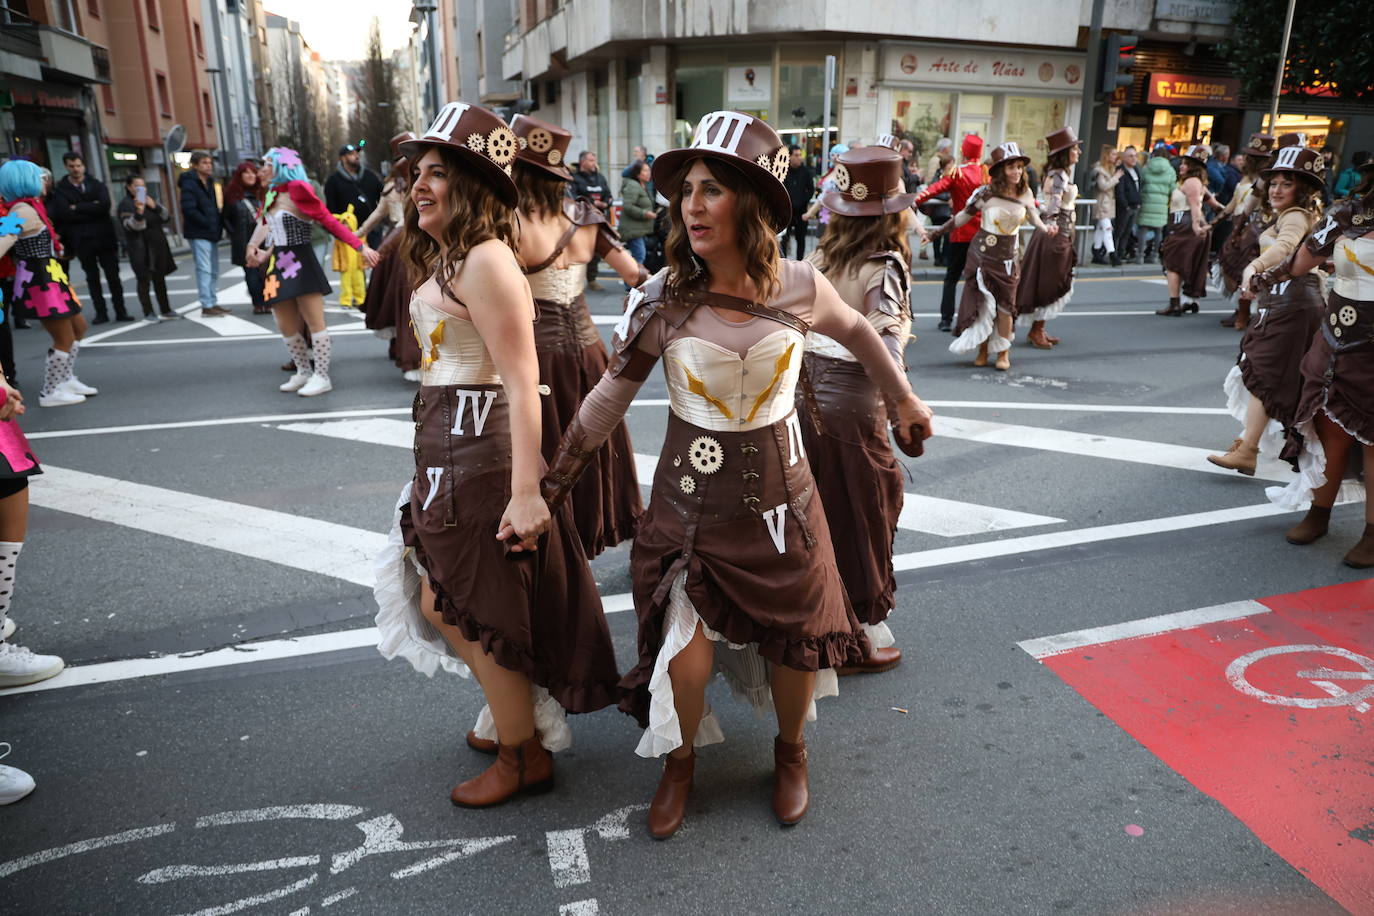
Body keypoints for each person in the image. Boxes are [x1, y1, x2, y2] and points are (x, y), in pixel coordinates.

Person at [540, 111, 933, 837]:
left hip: (786, 504)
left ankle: (791, 753)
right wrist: (548, 490)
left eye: (712, 189)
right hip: (688, 513)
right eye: (686, 189)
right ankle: (679, 763)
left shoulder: (801, 285)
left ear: (751, 204)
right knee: (683, 664)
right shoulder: (662, 297)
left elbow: (861, 335)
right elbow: (607, 399)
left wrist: (904, 399)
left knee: (795, 649)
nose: (691, 204)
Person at [372, 102, 620, 805]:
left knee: (468, 605)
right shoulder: (454, 253)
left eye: (437, 173)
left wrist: (524, 491)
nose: (418, 185)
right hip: (448, 456)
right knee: (445, 599)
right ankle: (520, 722)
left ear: (474, 184)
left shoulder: (486, 261)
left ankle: (522, 753)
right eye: (416, 172)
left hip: (479, 459)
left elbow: (523, 381)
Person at [800, 146, 920, 675]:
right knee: (862, 517)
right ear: (890, 214)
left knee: (813, 515)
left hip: (798, 403)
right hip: (851, 409)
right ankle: (857, 636)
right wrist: (902, 399)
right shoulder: (885, 267)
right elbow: (886, 335)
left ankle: (808, 618)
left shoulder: (817, 260)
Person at [507, 113, 646, 559]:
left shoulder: (507, 223)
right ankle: (587, 529)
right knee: (589, 444)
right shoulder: (586, 217)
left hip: (537, 356)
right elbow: (635, 274)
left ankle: (551, 540)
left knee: (547, 449)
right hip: (590, 351)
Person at [1257, 154, 1374, 568]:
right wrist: (1264, 277)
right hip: (1336, 339)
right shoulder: (1347, 212)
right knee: (1328, 427)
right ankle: (1318, 512)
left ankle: (1372, 532)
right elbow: (1303, 257)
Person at [1207, 145, 1326, 478]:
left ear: (1301, 190)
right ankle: (1247, 442)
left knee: (1264, 374)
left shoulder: (1296, 216)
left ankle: (1248, 450)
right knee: (1268, 373)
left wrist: (1253, 268)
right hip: (1288, 302)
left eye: (1286, 184)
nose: (1275, 189)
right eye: (1273, 182)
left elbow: (1286, 247)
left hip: (1293, 303)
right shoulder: (1296, 215)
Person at [244, 147, 378, 397]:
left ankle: (322, 376)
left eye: (266, 164)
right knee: (283, 323)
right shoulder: (272, 191)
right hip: (278, 263)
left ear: (281, 166)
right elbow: (267, 224)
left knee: (314, 321)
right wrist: (257, 248)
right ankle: (303, 371)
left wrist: (359, 246)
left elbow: (327, 220)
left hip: (302, 261)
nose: (261, 169)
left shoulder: (298, 189)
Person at [930, 141, 1054, 371]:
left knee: (1006, 308)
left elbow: (1034, 218)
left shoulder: (1026, 193)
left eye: (1019, 166)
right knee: (983, 306)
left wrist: (1047, 228)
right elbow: (961, 218)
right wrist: (936, 233)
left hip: (1008, 260)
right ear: (1000, 171)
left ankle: (1003, 352)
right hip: (982, 257)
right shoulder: (985, 193)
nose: (1017, 171)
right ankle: (983, 349)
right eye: (1011, 167)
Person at [0, 159, 96, 407]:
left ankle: (65, 379)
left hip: (51, 274)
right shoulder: (21, 210)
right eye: (39, 176)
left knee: (79, 327)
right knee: (64, 336)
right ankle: (51, 391)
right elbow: (3, 239)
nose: (45, 181)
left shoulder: (31, 207)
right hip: (40, 280)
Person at [361, 132, 423, 381]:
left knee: (397, 299)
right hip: (406, 245)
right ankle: (408, 353)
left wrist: (357, 236)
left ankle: (400, 347)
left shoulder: (402, 185)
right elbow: (403, 222)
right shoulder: (410, 185)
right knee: (407, 300)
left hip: (401, 244)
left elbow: (378, 215)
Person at [911, 134, 986, 332]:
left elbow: (936, 188)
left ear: (963, 152)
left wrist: (916, 200)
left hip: (960, 232)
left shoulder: (957, 173)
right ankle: (975, 316)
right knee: (979, 279)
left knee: (951, 278)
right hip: (982, 235)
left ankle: (946, 319)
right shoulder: (987, 173)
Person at [47, 152, 130, 324]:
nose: (76, 169)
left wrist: (76, 207)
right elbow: (64, 213)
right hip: (82, 240)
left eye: (78, 165)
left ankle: (121, 310)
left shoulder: (97, 184)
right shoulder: (61, 189)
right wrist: (91, 207)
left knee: (113, 276)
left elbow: (104, 206)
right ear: (66, 167)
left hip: (105, 238)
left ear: (83, 166)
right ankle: (101, 313)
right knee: (92, 278)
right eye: (71, 166)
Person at [1017, 127, 1081, 350]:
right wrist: (1055, 219)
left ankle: (1039, 328)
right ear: (1065, 153)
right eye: (1075, 148)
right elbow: (1053, 204)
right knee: (1049, 282)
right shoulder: (1058, 176)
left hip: (1056, 233)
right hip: (1054, 236)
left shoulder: (1059, 174)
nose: (1079, 152)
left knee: (1048, 280)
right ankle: (1036, 330)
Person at [1212, 134, 1276, 330]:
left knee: (1249, 269)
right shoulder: (1248, 178)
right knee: (1233, 265)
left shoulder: (1270, 178)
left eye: (1254, 156)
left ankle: (1247, 313)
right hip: (1245, 225)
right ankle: (1242, 311)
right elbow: (1237, 203)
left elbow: (1262, 205)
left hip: (1262, 229)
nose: (1249, 159)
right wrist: (1216, 221)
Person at [1156, 146, 1215, 316]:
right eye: (1181, 163)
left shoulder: (1191, 183)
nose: (1181, 167)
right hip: (1187, 226)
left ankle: (1175, 303)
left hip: (1183, 226)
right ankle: (1188, 301)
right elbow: (1215, 204)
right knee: (1188, 264)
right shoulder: (1198, 183)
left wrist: (1197, 225)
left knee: (1173, 264)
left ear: (1194, 167)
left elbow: (1196, 204)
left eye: (1185, 164)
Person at [116, 176, 178, 321]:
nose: (140, 190)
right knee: (143, 278)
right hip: (140, 247)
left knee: (160, 278)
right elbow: (133, 227)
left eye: (143, 187)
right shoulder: (126, 204)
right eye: (137, 186)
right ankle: (148, 311)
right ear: (129, 187)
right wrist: (139, 212)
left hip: (157, 244)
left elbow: (166, 218)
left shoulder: (149, 200)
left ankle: (166, 309)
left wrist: (154, 206)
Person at [178, 151, 226, 318]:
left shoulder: (211, 182)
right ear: (196, 165)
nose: (209, 166)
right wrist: (208, 223)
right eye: (205, 163)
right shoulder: (189, 184)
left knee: (213, 269)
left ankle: (212, 301)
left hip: (210, 231)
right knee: (204, 269)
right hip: (198, 232)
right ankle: (206, 304)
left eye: (210, 163)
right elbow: (189, 209)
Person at [222, 160, 268, 314]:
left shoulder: (263, 192)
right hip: (243, 240)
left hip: (264, 239)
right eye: (246, 172)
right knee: (251, 273)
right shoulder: (232, 194)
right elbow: (225, 218)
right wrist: (234, 234)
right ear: (240, 175)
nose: (250, 175)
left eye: (253, 172)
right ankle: (258, 303)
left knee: (266, 272)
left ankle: (268, 301)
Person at [323, 144, 384, 249]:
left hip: (373, 231)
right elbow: (331, 210)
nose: (356, 156)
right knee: (353, 265)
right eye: (351, 154)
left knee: (377, 262)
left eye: (357, 153)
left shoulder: (370, 175)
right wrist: (339, 231)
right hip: (351, 235)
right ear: (343, 158)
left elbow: (383, 197)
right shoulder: (333, 181)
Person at [569, 151, 611, 291]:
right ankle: (576, 281)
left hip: (599, 220)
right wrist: (592, 203)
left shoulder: (600, 178)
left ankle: (592, 280)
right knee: (579, 251)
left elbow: (608, 194)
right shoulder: (574, 178)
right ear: (582, 162)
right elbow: (573, 197)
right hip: (582, 222)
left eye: (594, 160)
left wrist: (605, 203)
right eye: (591, 160)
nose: (594, 163)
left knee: (596, 252)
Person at [1136, 143, 1176, 264]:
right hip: (1162, 204)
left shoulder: (1147, 167)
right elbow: (1173, 188)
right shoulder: (1170, 170)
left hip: (1147, 201)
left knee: (1143, 229)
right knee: (1158, 231)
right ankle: (1154, 255)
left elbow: (1141, 183)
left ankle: (1140, 256)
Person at [619, 160, 658, 269]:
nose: (648, 173)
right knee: (639, 257)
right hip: (632, 230)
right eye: (645, 170)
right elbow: (628, 206)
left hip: (639, 230)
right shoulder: (633, 186)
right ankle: (630, 284)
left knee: (639, 257)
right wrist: (645, 213)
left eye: (649, 170)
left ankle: (634, 283)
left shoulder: (644, 186)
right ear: (637, 173)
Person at [782, 147, 816, 260]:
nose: (799, 157)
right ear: (790, 157)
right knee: (784, 238)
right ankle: (783, 261)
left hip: (801, 211)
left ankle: (800, 261)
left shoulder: (806, 172)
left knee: (800, 239)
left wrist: (802, 201)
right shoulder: (784, 170)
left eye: (800, 155)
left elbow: (811, 190)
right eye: (796, 155)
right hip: (787, 211)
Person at [1090, 145, 1122, 265]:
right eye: (1113, 154)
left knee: (1100, 228)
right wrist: (1115, 178)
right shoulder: (1100, 170)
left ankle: (1097, 251)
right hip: (1102, 203)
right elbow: (1103, 186)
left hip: (1108, 203)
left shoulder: (1110, 168)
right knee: (1107, 228)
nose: (1115, 157)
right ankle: (1112, 254)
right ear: (1107, 156)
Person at [1113, 146, 1142, 261]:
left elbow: (1138, 187)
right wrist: (1125, 205)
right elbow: (1120, 190)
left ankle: (1121, 253)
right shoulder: (1121, 170)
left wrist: (1139, 202)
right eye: (1131, 156)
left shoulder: (1136, 170)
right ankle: (1114, 254)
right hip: (1125, 207)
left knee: (1127, 232)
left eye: (1135, 156)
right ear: (1124, 158)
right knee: (1119, 231)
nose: (1134, 158)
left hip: (1134, 206)